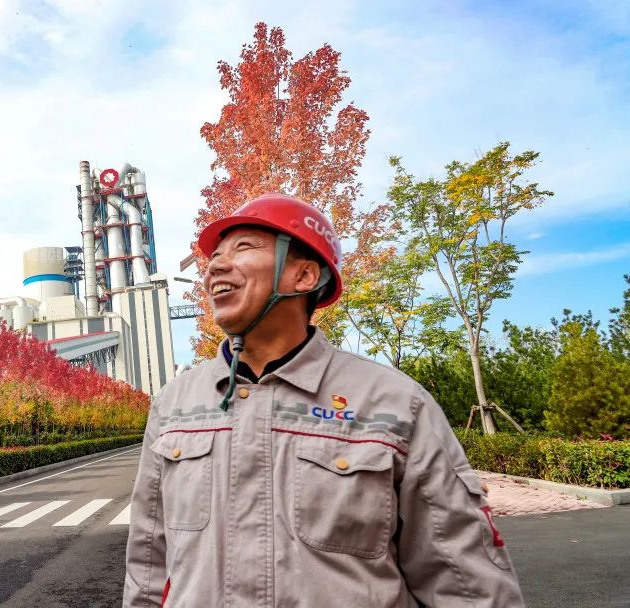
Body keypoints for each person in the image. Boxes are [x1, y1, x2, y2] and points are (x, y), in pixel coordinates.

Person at [123, 193, 524, 607]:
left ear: (304, 276)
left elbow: (465, 583)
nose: (214, 267)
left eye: (243, 247)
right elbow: (149, 564)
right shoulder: (174, 404)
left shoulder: (395, 403)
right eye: (215, 256)